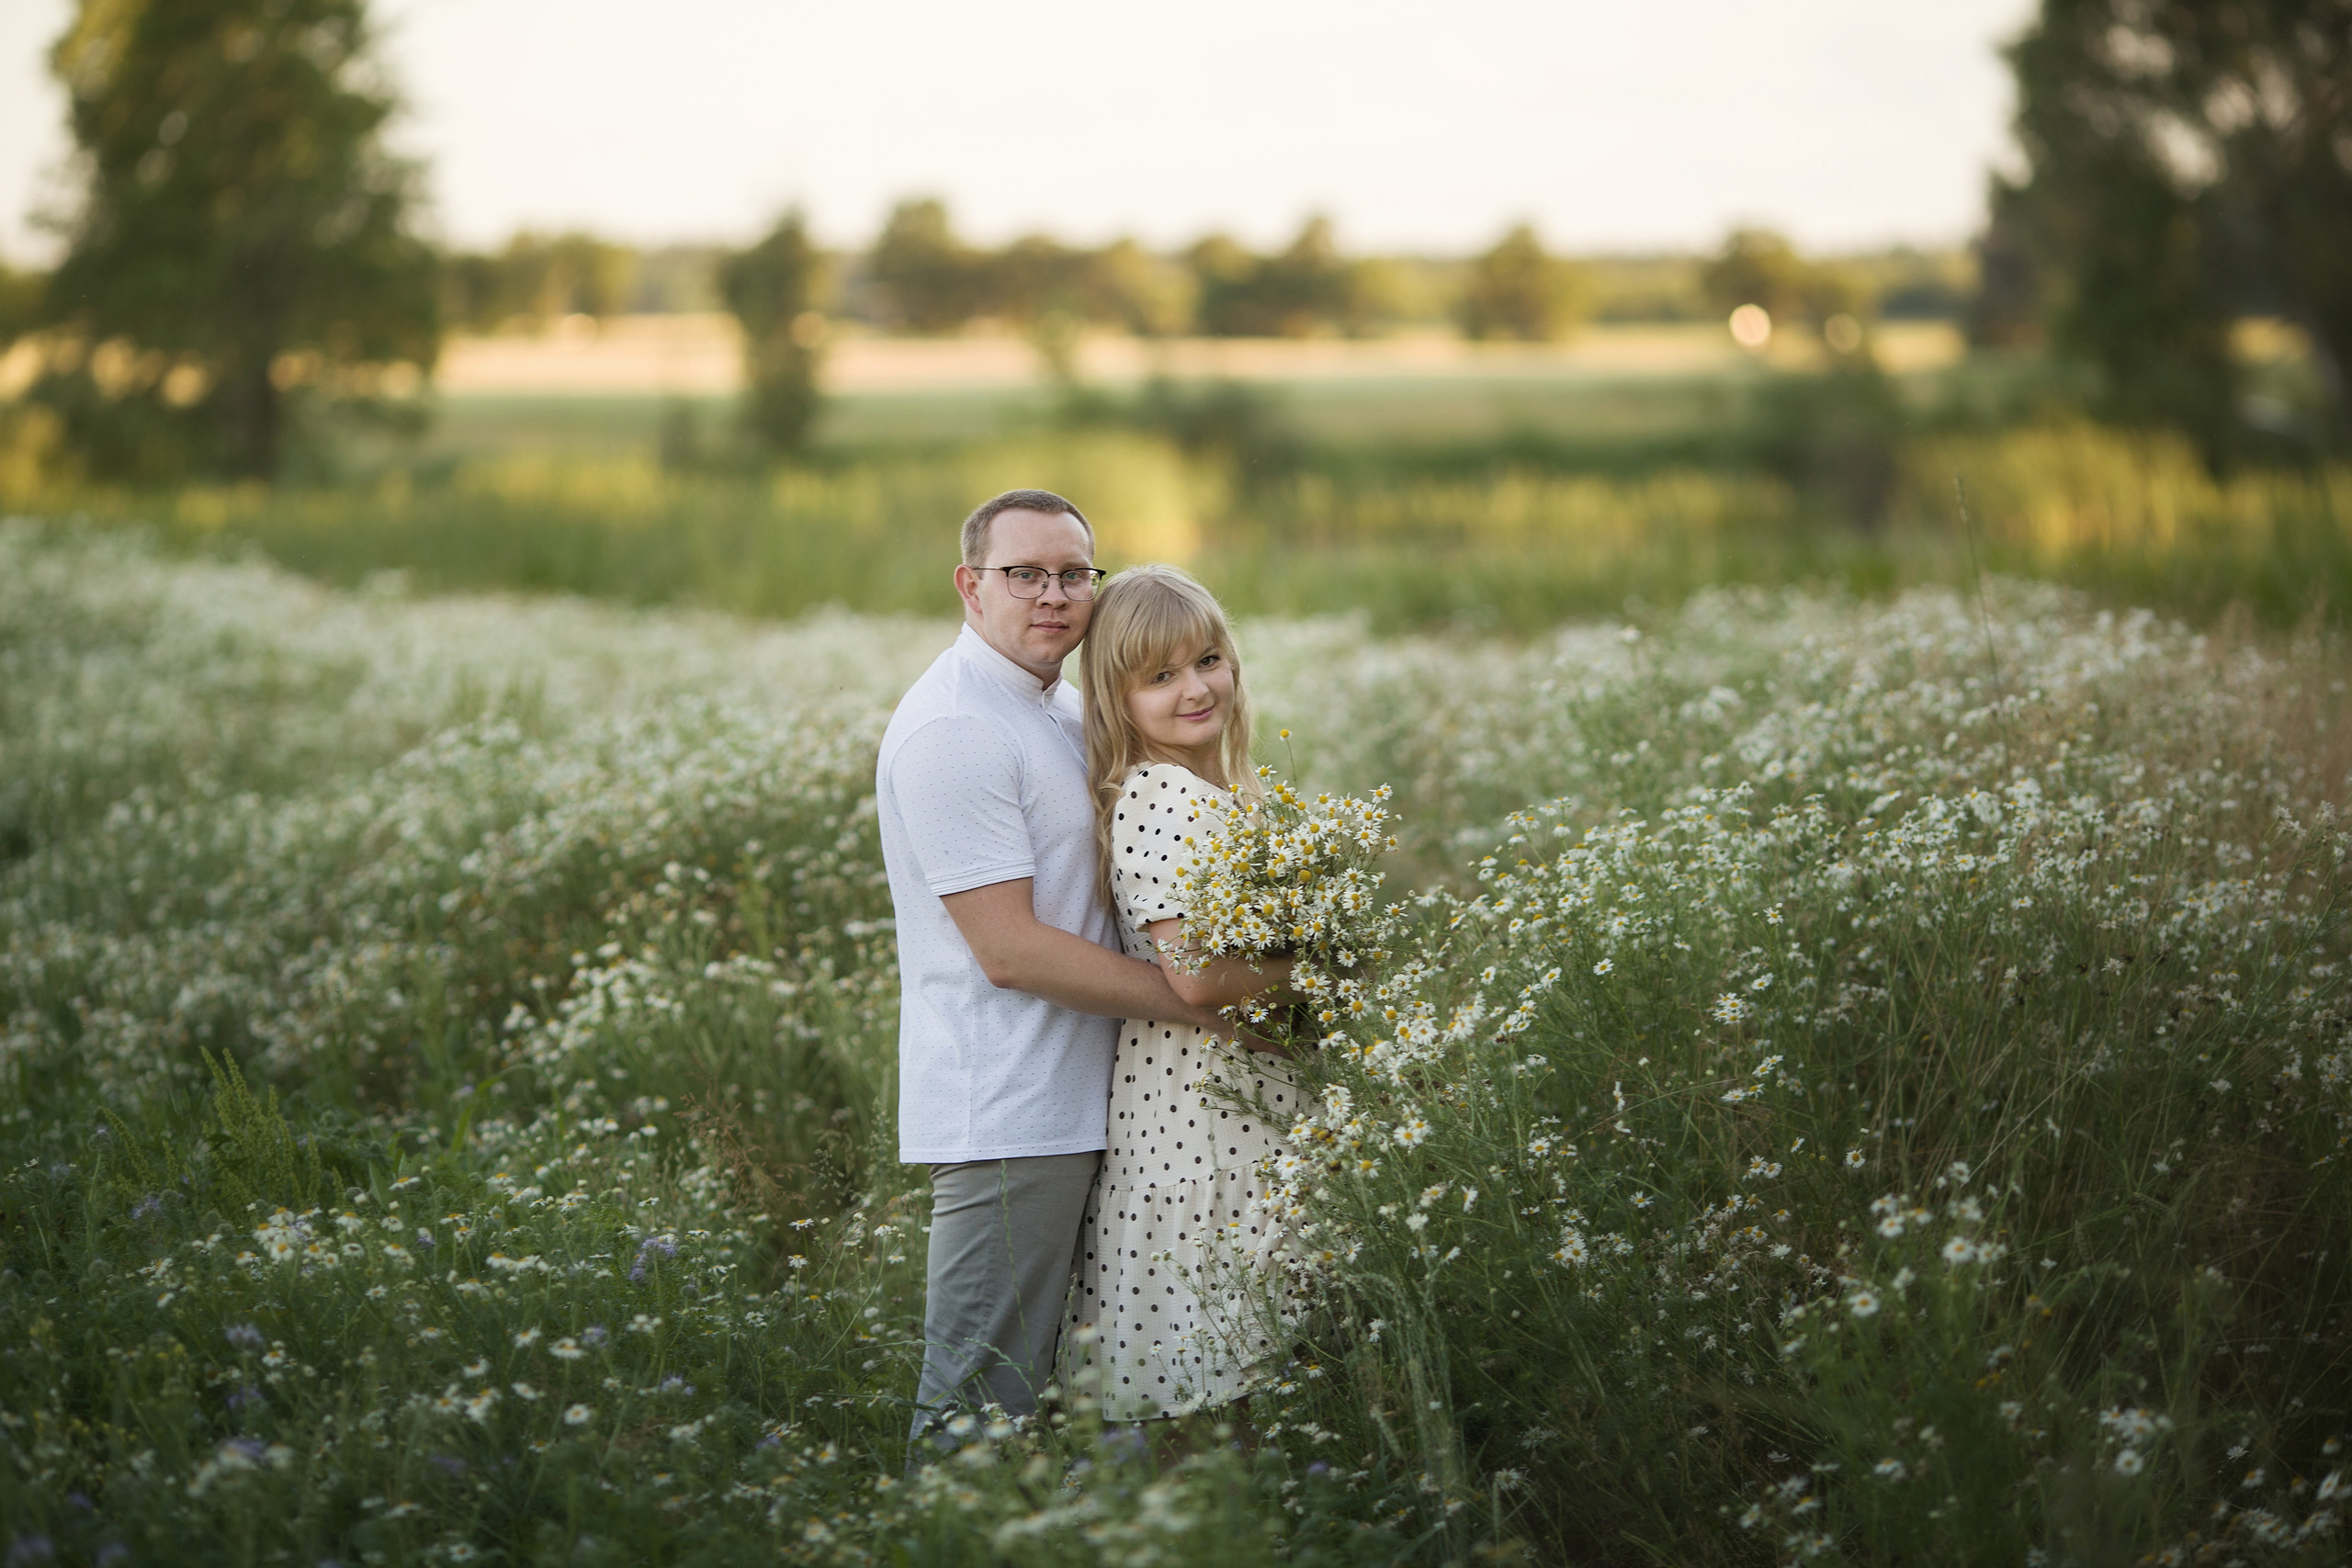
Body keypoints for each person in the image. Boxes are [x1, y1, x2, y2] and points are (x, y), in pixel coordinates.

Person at [875, 490, 1229, 1449]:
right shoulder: (956, 728)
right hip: (1013, 1112)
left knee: (1096, 1403)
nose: (1053, 595)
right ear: (969, 585)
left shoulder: (1057, 704)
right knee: (977, 1412)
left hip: (1101, 1105)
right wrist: (1213, 1006)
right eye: (1023, 573)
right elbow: (1009, 949)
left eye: (1073, 573)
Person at [1059, 563, 1299, 1423]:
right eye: (1160, 676)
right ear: (1117, 699)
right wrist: (1323, 971)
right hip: (1200, 1124)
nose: (1196, 687)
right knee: (1215, 1376)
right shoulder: (1162, 798)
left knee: (1250, 1369)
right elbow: (1195, 975)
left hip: (1238, 1111)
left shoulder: (1219, 794)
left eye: (1208, 660)